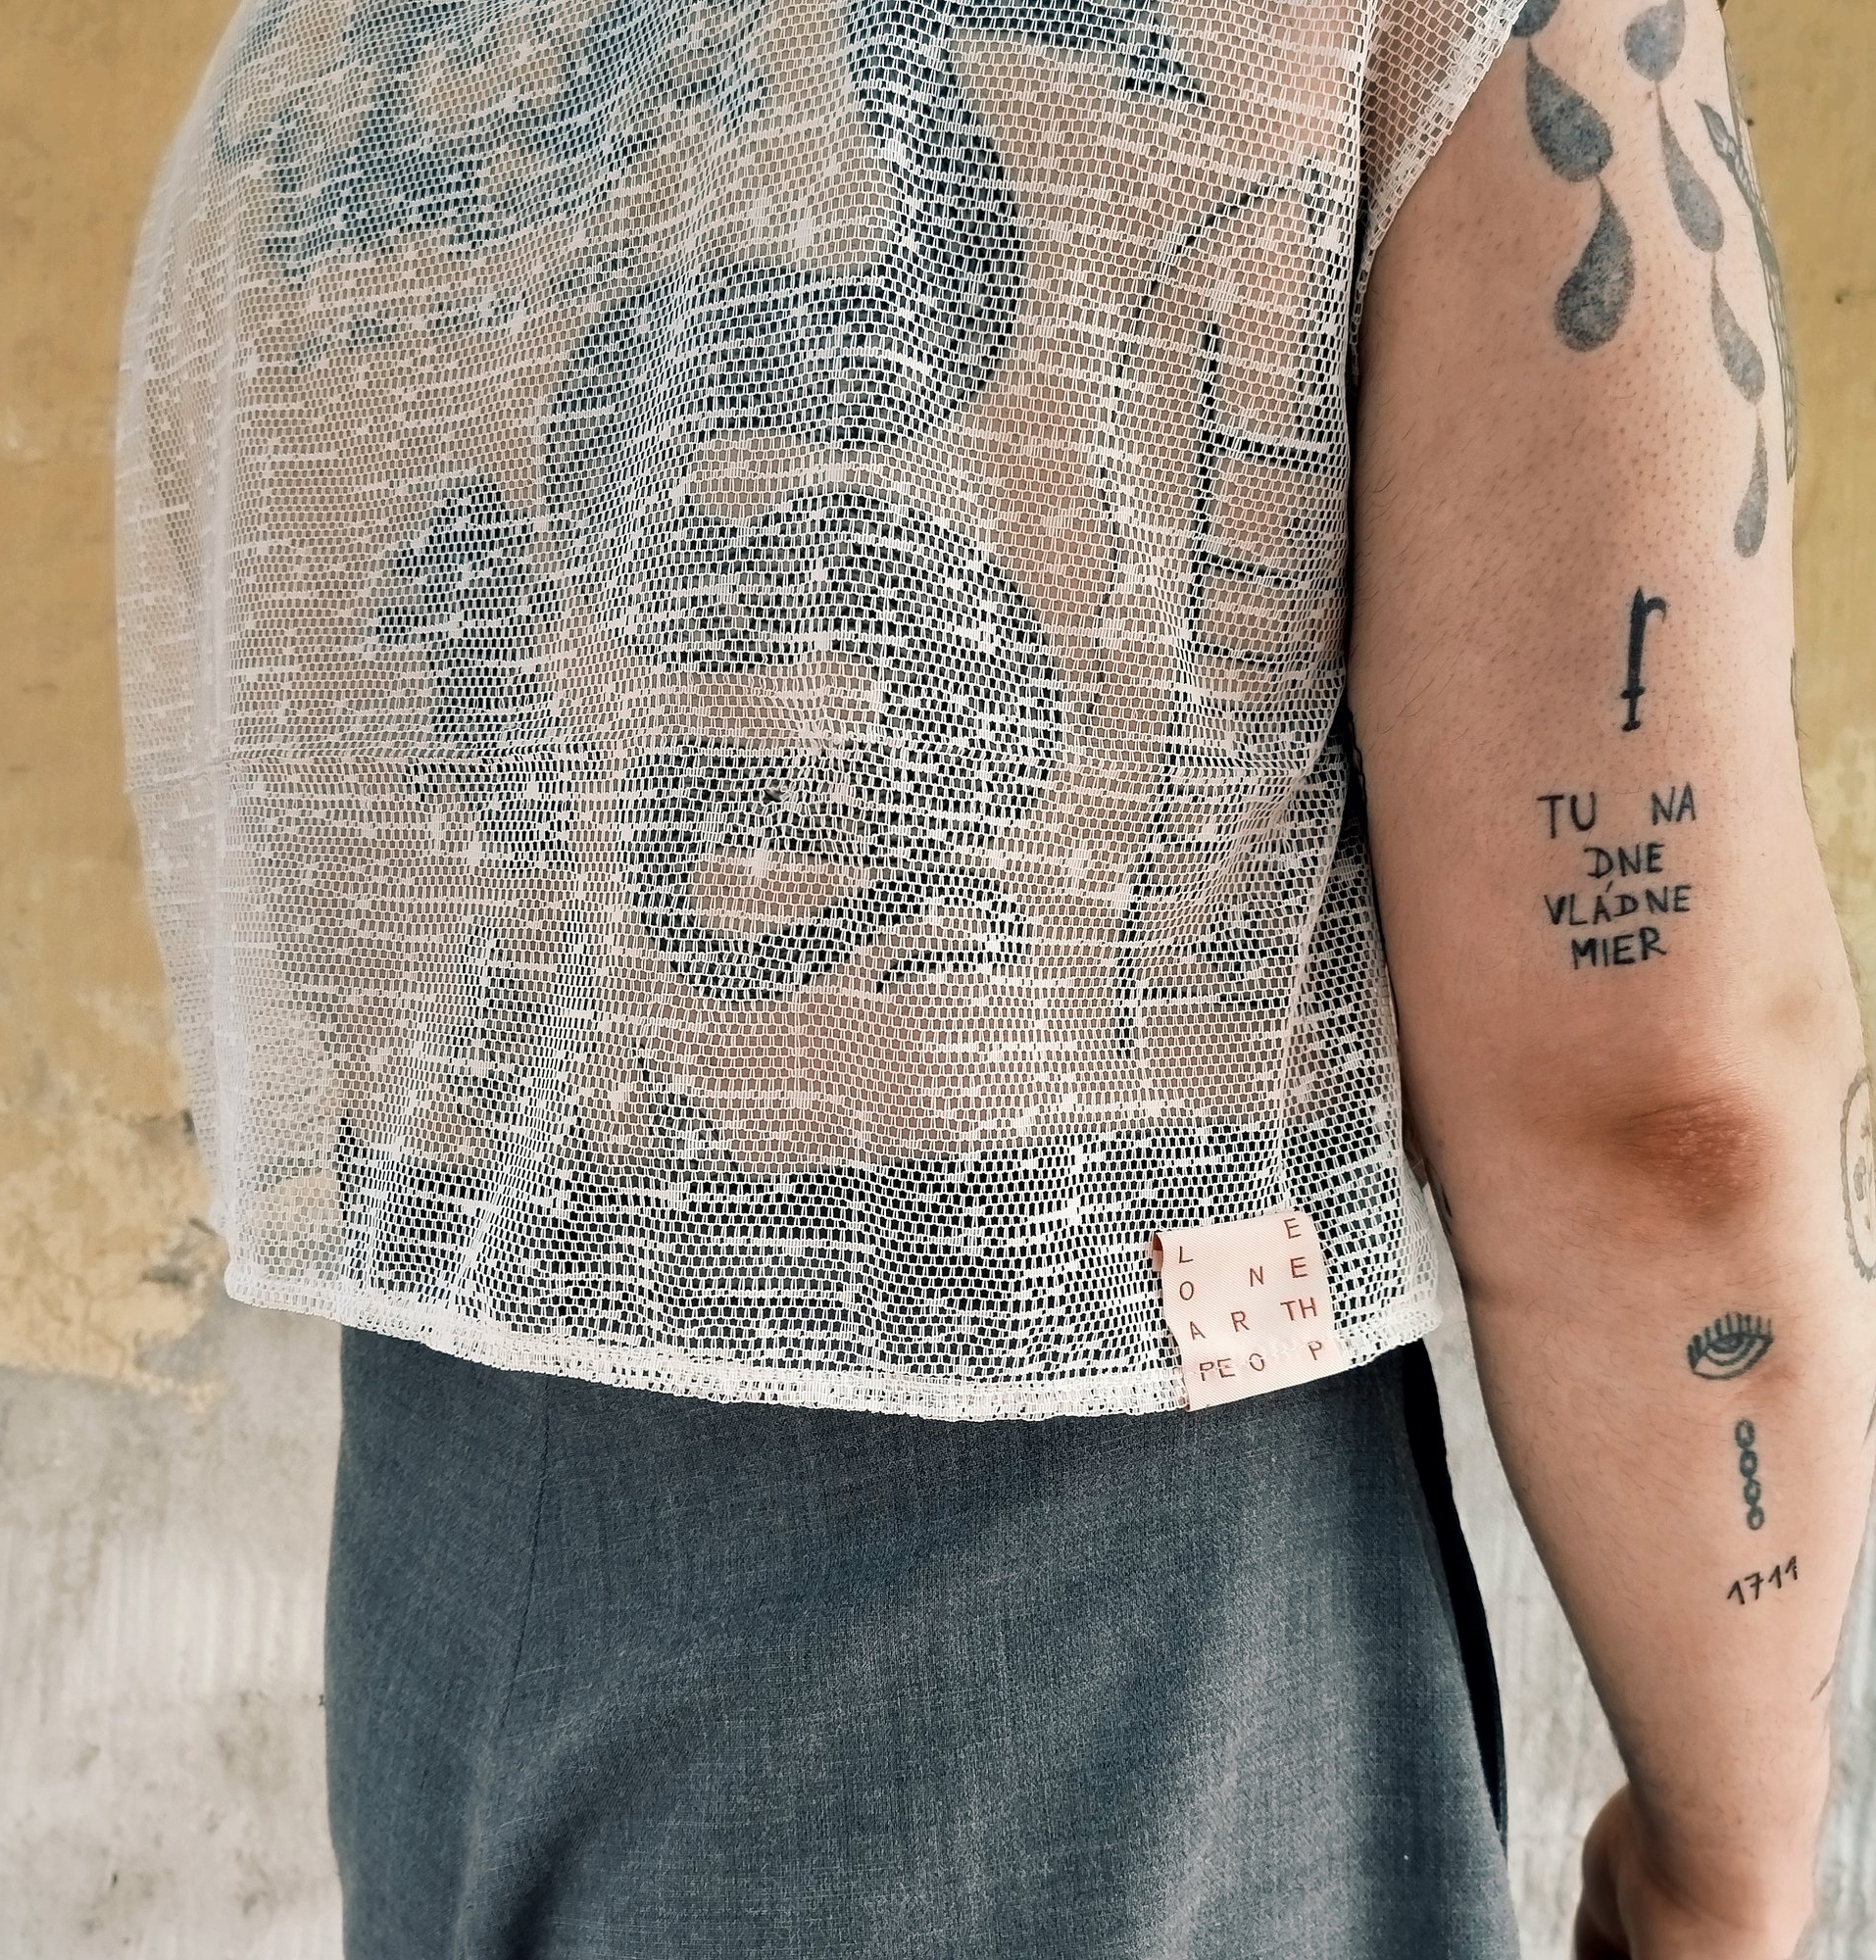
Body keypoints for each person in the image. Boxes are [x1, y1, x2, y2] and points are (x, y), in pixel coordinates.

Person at [114, 0, 1874, 1950]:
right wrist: (1726, 1861)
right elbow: (1656, 1110)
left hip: (449, 1566)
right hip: (1084, 1611)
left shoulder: (314, 52)